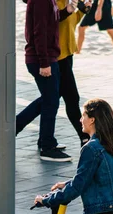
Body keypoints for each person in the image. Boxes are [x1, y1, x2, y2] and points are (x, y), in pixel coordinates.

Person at [17, 0, 92, 149]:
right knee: (67, 97)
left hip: (65, 53)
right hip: (57, 57)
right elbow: (45, 30)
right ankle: (83, 138)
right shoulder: (47, 2)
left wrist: (80, 11)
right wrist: (44, 63)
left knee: (51, 98)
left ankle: (36, 135)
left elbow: (69, 23)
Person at [17, 0, 73, 162]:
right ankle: (47, 147)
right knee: (51, 101)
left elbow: (50, 21)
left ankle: (39, 138)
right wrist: (44, 62)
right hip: (42, 59)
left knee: (50, 99)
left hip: (46, 57)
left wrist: (67, 11)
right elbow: (39, 32)